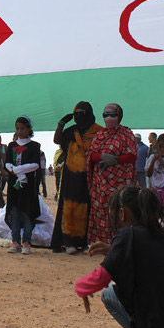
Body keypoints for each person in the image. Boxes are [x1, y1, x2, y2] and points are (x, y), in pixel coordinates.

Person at [74, 186, 164, 328]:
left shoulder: (127, 235)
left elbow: (101, 277)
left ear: (122, 213)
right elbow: (148, 256)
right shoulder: (160, 234)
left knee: (108, 294)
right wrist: (113, 251)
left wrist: (80, 286)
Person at [51, 102, 104, 254]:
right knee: (70, 208)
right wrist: (61, 123)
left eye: (82, 113)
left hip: (91, 176)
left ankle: (87, 242)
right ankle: (69, 242)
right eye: (76, 113)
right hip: (71, 176)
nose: (79, 116)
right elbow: (57, 140)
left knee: (89, 208)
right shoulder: (72, 130)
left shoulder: (99, 132)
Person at [86, 103, 138, 245]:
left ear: (119, 116)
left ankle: (121, 242)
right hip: (101, 183)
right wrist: (102, 157)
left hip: (121, 181)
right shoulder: (99, 135)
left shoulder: (127, 134)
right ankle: (105, 243)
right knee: (102, 212)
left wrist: (115, 161)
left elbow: (132, 155)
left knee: (120, 211)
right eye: (105, 115)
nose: (109, 118)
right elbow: (91, 154)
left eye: (112, 115)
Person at [4, 116, 42, 255]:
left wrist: (19, 169)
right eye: (17, 129)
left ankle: (27, 241)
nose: (20, 131)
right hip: (14, 186)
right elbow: (7, 163)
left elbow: (35, 164)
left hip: (28, 186)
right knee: (15, 213)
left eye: (22, 128)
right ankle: (15, 241)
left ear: (28, 129)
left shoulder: (34, 146)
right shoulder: (11, 146)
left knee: (27, 213)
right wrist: (13, 169)